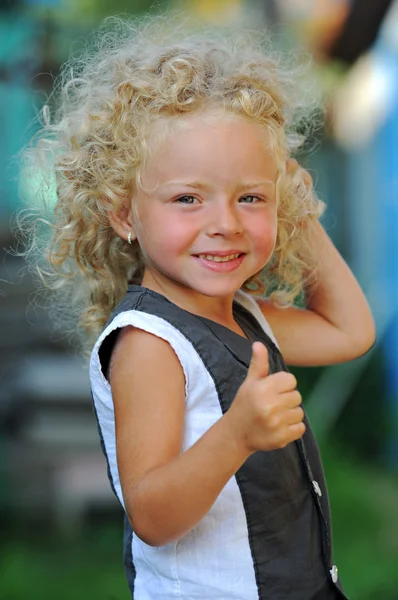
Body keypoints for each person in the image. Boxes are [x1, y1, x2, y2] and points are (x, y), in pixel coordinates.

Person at [22, 14, 375, 600]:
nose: (226, 224)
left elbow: (349, 331)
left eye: (250, 197)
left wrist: (299, 212)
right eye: (188, 198)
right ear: (123, 215)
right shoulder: (150, 345)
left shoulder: (244, 315)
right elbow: (153, 517)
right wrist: (237, 433)